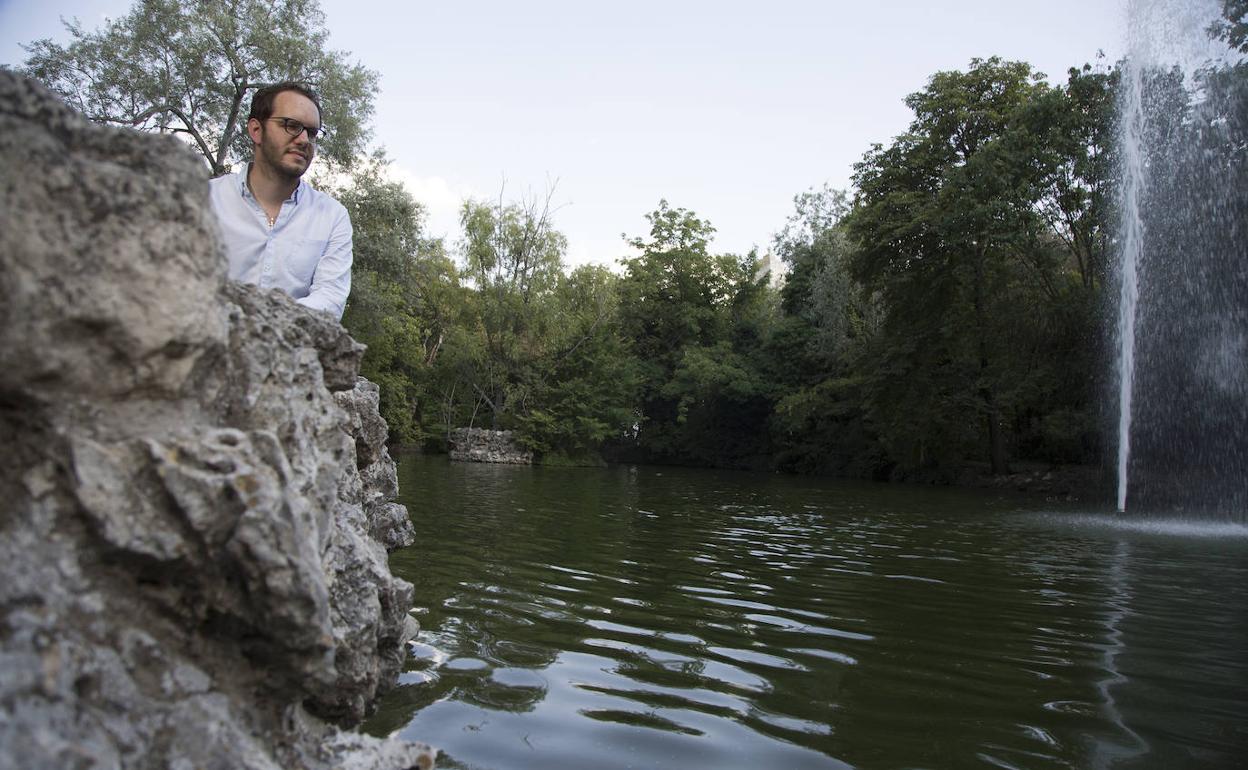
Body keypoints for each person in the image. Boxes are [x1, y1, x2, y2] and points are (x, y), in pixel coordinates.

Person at [209, 82, 352, 320]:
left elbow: (330, 299)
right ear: (256, 130)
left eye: (312, 132)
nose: (304, 139)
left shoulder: (332, 217)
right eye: (291, 125)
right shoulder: (204, 199)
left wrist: (264, 325)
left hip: (286, 353)